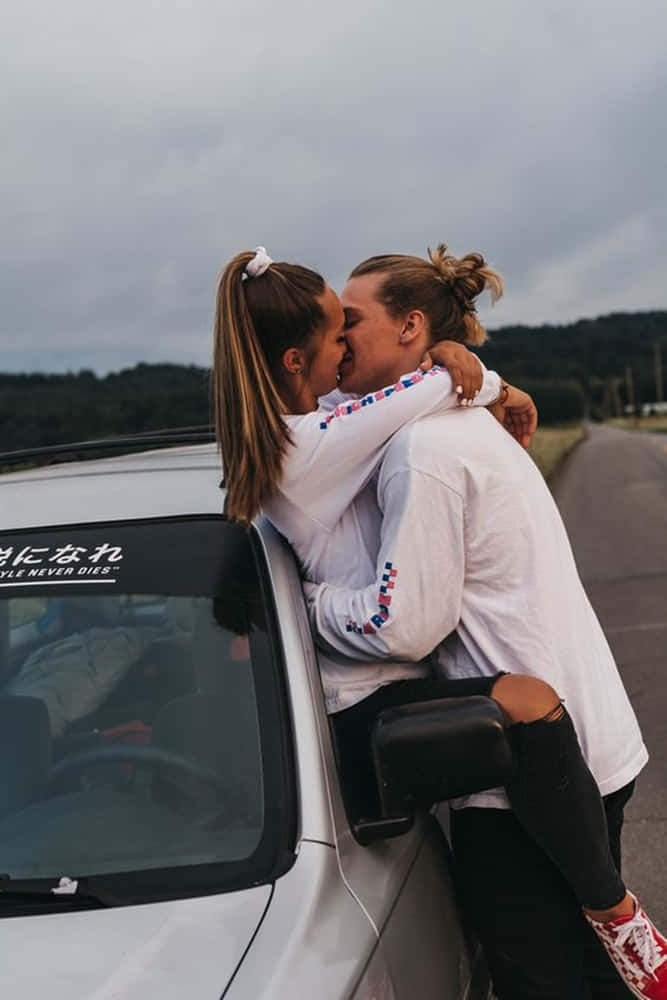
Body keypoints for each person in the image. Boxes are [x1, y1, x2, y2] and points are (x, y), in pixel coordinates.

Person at [211, 246, 667, 1000]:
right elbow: (401, 624)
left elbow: (405, 623)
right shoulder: (341, 441)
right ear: (297, 358)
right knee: (575, 970)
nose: (344, 342)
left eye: (351, 323)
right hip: (450, 725)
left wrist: (475, 376)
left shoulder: (399, 442)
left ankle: (615, 916)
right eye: (334, 330)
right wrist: (479, 377)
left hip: (507, 765)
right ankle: (615, 914)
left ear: (410, 326)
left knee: (557, 974)